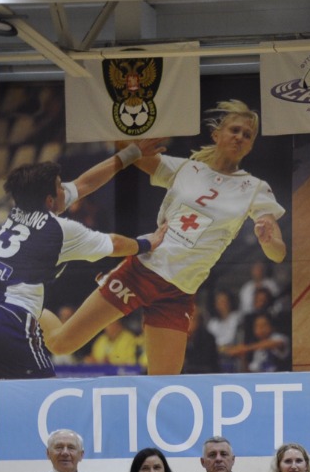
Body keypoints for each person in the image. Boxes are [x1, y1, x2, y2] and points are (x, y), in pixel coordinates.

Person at [46, 100, 288, 375]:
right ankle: (28, 310)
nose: (240, 137)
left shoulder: (255, 188)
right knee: (61, 344)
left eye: (247, 135)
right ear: (216, 135)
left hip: (178, 292)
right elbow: (128, 151)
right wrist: (116, 125)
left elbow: (278, 253)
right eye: (234, 130)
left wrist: (267, 240)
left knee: (165, 384)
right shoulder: (185, 169)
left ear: (251, 146)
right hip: (141, 271)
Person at [0, 151, 165, 380]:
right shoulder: (60, 230)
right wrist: (147, 243)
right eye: (60, 187)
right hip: (6, 318)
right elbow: (115, 244)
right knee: (44, 395)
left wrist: (129, 154)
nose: (66, 190)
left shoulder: (18, 210)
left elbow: (83, 183)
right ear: (50, 200)